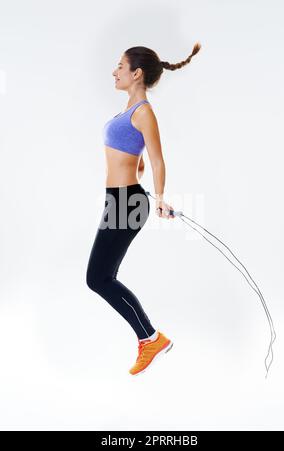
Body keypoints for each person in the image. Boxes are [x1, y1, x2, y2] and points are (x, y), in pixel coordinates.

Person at [86, 43, 201, 376]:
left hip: (128, 202)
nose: (114, 71)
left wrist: (161, 196)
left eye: (120, 66)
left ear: (136, 73)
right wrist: (130, 172)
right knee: (101, 277)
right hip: (120, 199)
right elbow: (134, 158)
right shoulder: (128, 108)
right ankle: (149, 337)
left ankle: (149, 337)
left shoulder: (144, 112)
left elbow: (157, 158)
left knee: (98, 278)